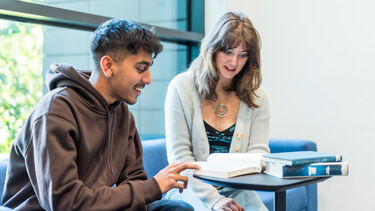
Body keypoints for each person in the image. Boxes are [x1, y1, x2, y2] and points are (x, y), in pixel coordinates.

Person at [1, 18, 200, 211]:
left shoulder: (122, 114)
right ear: (108, 66)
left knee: (175, 208)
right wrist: (154, 186)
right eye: (140, 69)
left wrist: (152, 190)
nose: (148, 79)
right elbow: (65, 202)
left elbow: (135, 183)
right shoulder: (55, 111)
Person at [164, 11, 270, 211]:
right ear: (212, 49)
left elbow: (258, 154)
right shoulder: (181, 87)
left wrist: (231, 190)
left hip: (238, 189)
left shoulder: (257, 96)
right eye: (228, 52)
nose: (234, 63)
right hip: (189, 188)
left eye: (242, 55)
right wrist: (214, 199)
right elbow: (180, 159)